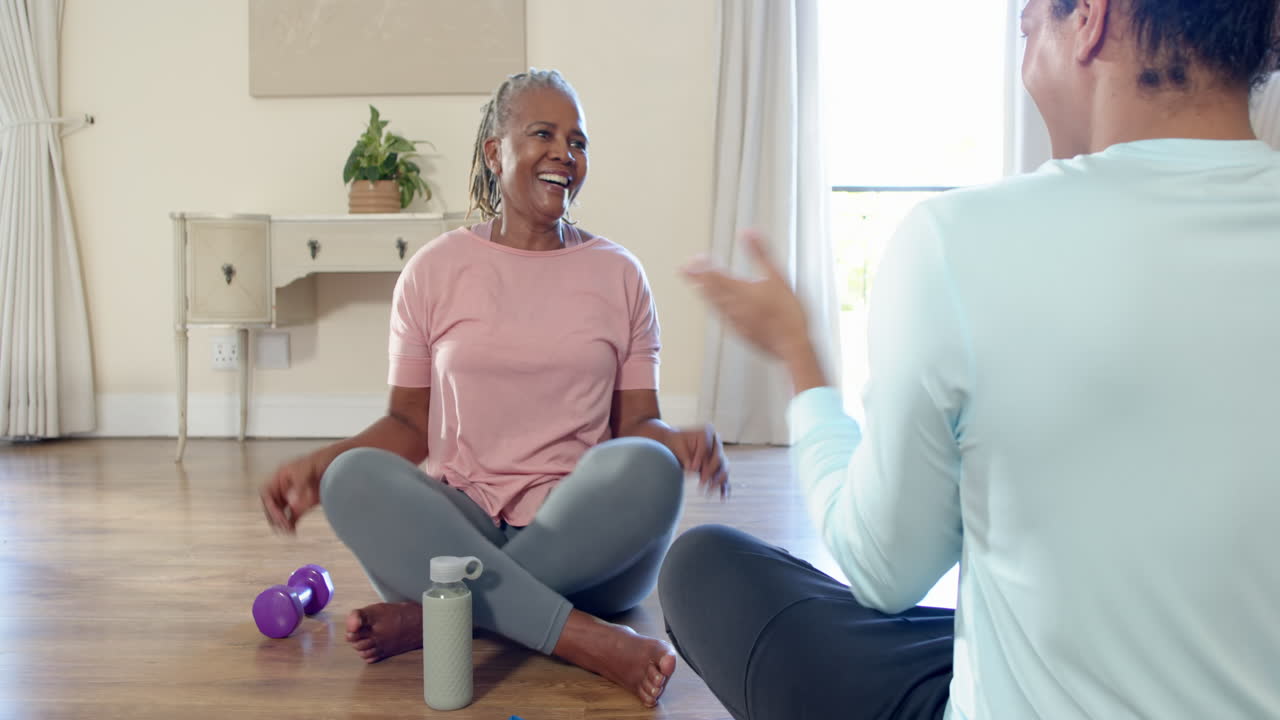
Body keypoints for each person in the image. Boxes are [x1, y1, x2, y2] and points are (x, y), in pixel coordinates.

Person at [659, 1, 1280, 718]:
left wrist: (800, 359)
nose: (1021, 26)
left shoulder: (958, 242)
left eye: (1030, 16)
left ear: (1091, 19)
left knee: (703, 568)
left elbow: (882, 568)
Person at [260, 69, 728, 708]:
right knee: (350, 477)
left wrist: (677, 443)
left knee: (651, 468)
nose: (566, 152)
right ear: (494, 152)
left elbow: (637, 426)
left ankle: (439, 618)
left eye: (579, 141)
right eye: (544, 133)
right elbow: (408, 423)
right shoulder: (434, 271)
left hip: (583, 542)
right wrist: (320, 464)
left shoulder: (620, 275)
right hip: (463, 523)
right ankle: (587, 640)